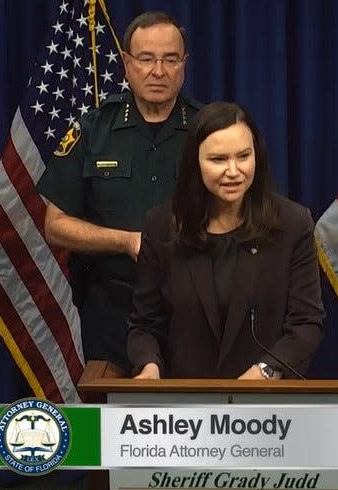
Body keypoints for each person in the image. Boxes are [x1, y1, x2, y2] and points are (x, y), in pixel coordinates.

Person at [37, 12, 202, 372]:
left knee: (194, 421)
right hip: (112, 313)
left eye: (170, 59)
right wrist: (125, 241)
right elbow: (56, 225)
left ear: (184, 65)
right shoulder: (93, 129)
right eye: (146, 59)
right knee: (115, 421)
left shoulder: (209, 133)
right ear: (126, 64)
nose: (158, 71)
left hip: (196, 310)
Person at [128, 102, 324, 380]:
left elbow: (306, 324)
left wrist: (265, 373)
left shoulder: (292, 224)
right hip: (183, 411)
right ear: (195, 162)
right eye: (218, 160)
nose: (233, 171)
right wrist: (149, 367)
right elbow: (145, 325)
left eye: (243, 156)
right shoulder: (161, 226)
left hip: (266, 409)